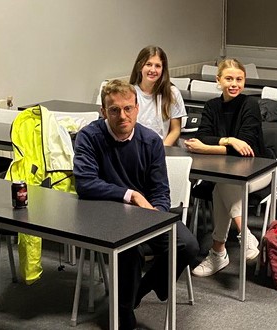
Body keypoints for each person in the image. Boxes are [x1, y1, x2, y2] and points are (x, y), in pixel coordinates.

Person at [72, 79, 199, 329]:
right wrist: (131, 195)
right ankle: (123, 312)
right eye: (114, 110)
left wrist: (154, 218)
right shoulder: (89, 137)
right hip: (106, 215)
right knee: (128, 250)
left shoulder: (150, 141)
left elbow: (161, 191)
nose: (122, 115)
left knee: (189, 246)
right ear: (103, 111)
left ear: (137, 107)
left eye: (128, 108)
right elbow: (85, 183)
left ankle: (138, 292)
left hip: (146, 215)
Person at [184, 58, 272, 276]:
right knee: (223, 183)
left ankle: (220, 252)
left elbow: (247, 147)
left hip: (258, 171)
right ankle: (238, 239)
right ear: (218, 80)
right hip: (225, 174)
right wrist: (229, 141)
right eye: (229, 78)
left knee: (224, 184)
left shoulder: (250, 105)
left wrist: (206, 149)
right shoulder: (212, 106)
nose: (234, 84)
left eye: (239, 79)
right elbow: (202, 135)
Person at [129, 45, 187, 146]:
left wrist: (161, 150)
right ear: (140, 66)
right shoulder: (130, 92)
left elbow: (175, 130)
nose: (153, 70)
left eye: (158, 66)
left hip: (161, 148)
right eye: (148, 64)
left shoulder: (172, 93)